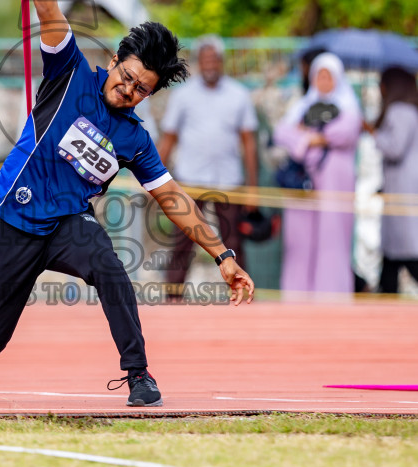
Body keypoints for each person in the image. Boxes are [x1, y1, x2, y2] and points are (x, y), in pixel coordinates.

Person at [0, 0, 255, 408]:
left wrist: (222, 255)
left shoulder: (134, 136)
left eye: (141, 90)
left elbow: (172, 197)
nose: (128, 91)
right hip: (12, 220)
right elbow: (46, 5)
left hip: (66, 225)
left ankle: (139, 375)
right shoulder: (70, 74)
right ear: (116, 60)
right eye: (127, 78)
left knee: (109, 268)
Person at [157, 36, 259, 298]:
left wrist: (253, 189)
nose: (210, 64)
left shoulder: (239, 94)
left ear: (222, 62)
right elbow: (168, 138)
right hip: (190, 179)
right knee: (183, 241)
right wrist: (154, 183)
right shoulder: (183, 95)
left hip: (228, 180)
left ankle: (241, 293)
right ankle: (173, 296)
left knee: (233, 241)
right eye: (205, 60)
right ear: (199, 63)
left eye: (214, 59)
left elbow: (249, 143)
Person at [274, 53, 362, 295]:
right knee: (299, 238)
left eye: (328, 76)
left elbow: (345, 132)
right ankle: (297, 295)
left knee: (332, 236)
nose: (323, 81)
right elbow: (282, 133)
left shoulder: (348, 106)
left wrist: (309, 136)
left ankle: (332, 294)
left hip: (336, 179)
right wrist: (312, 140)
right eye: (319, 75)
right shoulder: (302, 106)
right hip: (304, 179)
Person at [365, 67, 418, 294]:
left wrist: (373, 133)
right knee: (392, 257)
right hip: (399, 189)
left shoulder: (401, 111)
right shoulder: (407, 110)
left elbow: (395, 148)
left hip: (404, 192)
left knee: (406, 252)